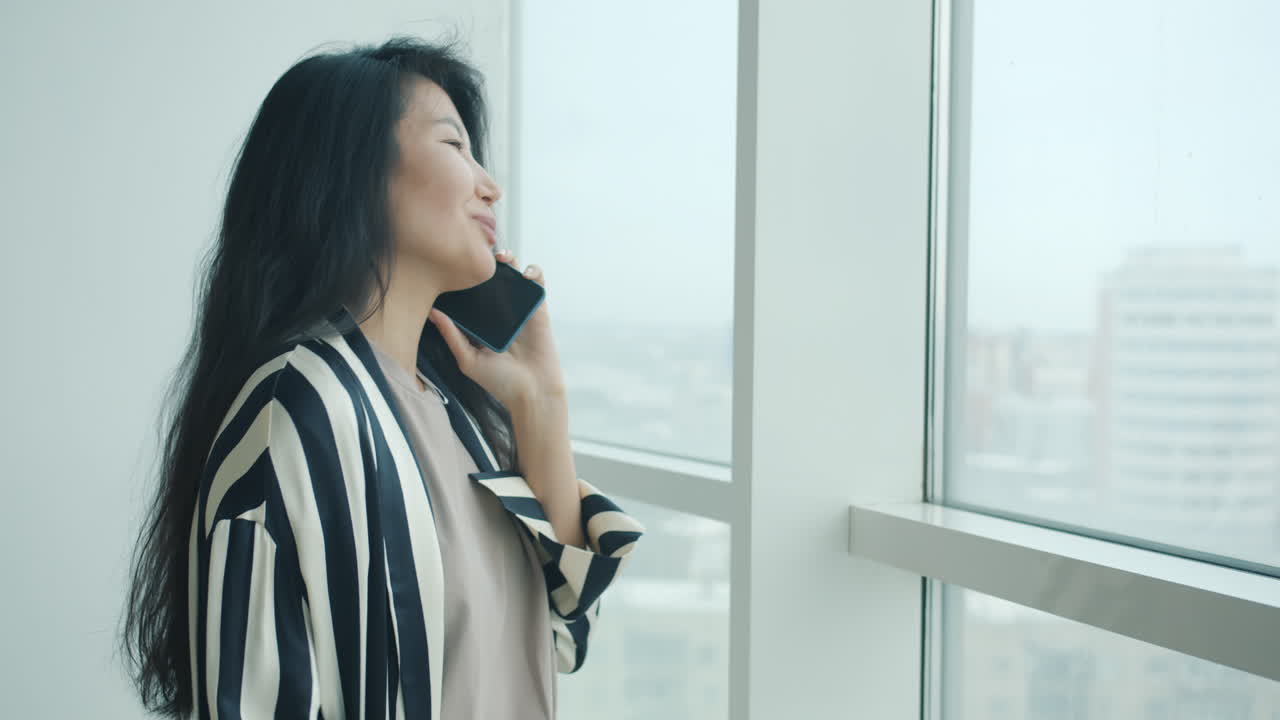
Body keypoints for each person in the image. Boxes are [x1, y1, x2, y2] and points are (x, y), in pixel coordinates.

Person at [121, 35, 645, 719]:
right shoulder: (297, 412)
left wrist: (541, 403)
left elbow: (560, 639)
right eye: (455, 145)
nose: (490, 184)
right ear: (356, 173)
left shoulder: (455, 416)